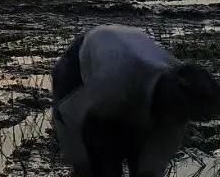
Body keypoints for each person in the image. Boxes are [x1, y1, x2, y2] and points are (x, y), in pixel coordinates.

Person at [52, 24, 220, 177]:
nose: (180, 120)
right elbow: (70, 115)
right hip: (87, 55)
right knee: (92, 164)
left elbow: (151, 168)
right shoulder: (113, 87)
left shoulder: (177, 113)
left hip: (134, 53)